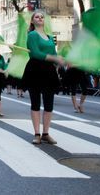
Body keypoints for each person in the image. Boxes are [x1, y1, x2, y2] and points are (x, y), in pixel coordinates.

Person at [23, 11, 64, 145]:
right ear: (32, 21)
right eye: (37, 16)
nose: (40, 18)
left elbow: (54, 53)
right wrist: (53, 58)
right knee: (35, 102)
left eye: (42, 17)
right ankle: (37, 134)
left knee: (49, 104)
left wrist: (62, 61)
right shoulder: (32, 35)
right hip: (35, 70)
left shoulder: (50, 37)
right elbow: (35, 53)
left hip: (49, 71)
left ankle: (46, 133)